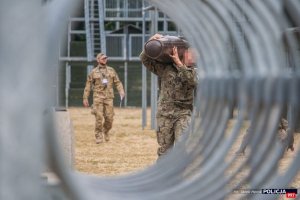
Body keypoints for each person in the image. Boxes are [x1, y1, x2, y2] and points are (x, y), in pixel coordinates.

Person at [140, 33, 198, 158]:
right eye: (191, 53)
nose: (194, 57)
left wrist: (179, 63)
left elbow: (193, 81)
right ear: (184, 53)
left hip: (183, 113)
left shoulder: (195, 71)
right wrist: (150, 42)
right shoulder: (166, 69)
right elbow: (144, 59)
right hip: (165, 114)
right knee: (165, 150)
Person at [83, 52, 125, 144]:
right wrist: (85, 98)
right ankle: (98, 136)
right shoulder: (93, 72)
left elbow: (117, 82)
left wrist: (121, 91)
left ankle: (105, 131)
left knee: (110, 118)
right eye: (103, 58)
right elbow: (88, 85)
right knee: (99, 117)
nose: (105, 60)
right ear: (98, 60)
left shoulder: (111, 70)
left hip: (109, 97)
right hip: (98, 97)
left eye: (106, 58)